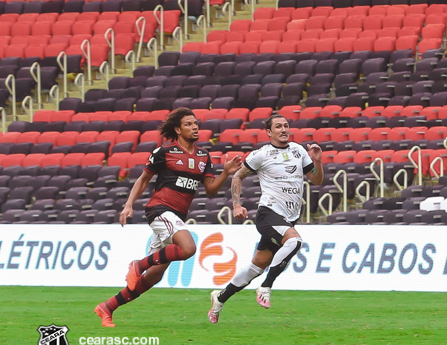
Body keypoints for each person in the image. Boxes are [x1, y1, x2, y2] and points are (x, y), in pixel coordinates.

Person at [94, 108, 242, 327]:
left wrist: (226, 172)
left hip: (176, 217)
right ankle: (138, 264)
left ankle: (107, 307)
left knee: (153, 277)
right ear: (177, 129)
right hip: (160, 210)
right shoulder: (164, 151)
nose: (195, 127)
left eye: (196, 124)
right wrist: (128, 205)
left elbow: (211, 189)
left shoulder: (203, 156)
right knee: (188, 248)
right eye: (189, 124)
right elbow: (143, 180)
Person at [208, 114, 323, 323]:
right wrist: (236, 205)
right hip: (268, 213)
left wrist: (317, 160)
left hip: (288, 218)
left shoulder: (298, 151)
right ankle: (266, 286)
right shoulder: (261, 154)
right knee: (295, 241)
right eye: (278, 126)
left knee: (256, 266)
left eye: (286, 126)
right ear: (269, 132)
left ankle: (220, 298)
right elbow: (238, 175)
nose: (283, 129)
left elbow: (316, 179)